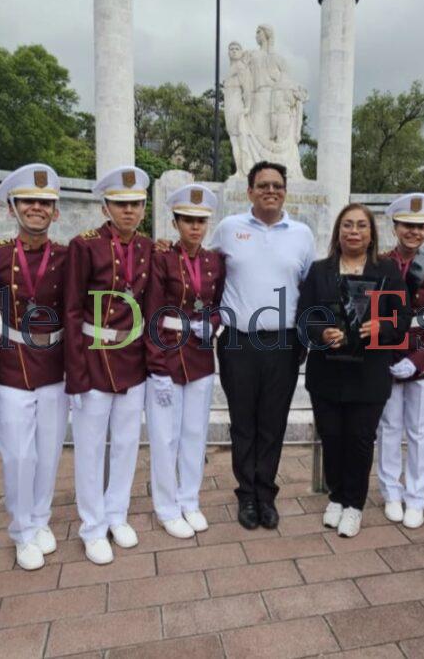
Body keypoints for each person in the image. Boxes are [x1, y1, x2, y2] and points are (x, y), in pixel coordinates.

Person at [210, 161, 316, 530]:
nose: (271, 190)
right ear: (250, 191)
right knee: (243, 423)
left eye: (277, 185)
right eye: (263, 185)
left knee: (273, 423)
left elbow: (308, 289)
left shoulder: (302, 234)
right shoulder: (229, 230)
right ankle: (246, 496)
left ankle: (266, 495)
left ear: (285, 190)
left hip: (284, 342)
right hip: (238, 340)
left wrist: (304, 335)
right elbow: (208, 275)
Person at [0, 163, 69, 571]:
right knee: (17, 453)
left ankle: (41, 519)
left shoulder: (68, 256)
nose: (37, 208)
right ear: (12, 207)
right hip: (14, 363)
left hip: (56, 363)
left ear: (56, 212)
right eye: (28, 201)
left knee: (48, 450)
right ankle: (21, 530)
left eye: (45, 202)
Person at [298, 204, 410, 537]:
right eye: (347, 225)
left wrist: (382, 327)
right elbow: (305, 317)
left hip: (369, 374)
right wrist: (321, 333)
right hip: (327, 372)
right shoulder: (320, 271)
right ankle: (336, 495)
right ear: (337, 232)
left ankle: (354, 505)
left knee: (360, 440)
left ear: (372, 233)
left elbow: (403, 320)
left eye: (361, 225)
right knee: (331, 437)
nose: (354, 231)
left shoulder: (388, 271)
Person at [63, 166, 153, 565]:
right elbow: (70, 310)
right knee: (89, 448)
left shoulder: (149, 247)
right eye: (121, 204)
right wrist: (76, 373)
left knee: (127, 444)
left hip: (132, 359)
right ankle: (92, 526)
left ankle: (117, 514)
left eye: (135, 204)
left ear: (145, 207)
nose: (129, 211)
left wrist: (152, 363)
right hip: (94, 358)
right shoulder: (84, 246)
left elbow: (149, 307)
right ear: (105, 206)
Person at [143, 184, 226, 539]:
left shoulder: (214, 261)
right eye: (188, 220)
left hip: (201, 355)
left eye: (201, 221)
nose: (195, 227)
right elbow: (152, 314)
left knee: (194, 433)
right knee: (165, 436)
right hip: (169, 352)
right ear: (174, 222)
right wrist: (157, 366)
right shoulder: (161, 258)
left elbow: (220, 302)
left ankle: (189, 500)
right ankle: (166, 506)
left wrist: (215, 325)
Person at [376, 194, 424, 530]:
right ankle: (391, 492)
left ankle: (417, 497)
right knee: (389, 428)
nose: (414, 232)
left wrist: (419, 360)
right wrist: (383, 355)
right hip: (387, 354)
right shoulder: (379, 263)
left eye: (420, 227)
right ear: (395, 226)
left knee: (420, 431)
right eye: (407, 225)